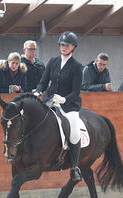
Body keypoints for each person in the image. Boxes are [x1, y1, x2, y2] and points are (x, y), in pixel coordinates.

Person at [34, 31, 83, 182]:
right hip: (49, 100)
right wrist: (38, 91)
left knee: (74, 132)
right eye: (62, 45)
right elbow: (44, 81)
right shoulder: (53, 61)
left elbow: (76, 91)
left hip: (69, 105)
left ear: (73, 47)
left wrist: (64, 99)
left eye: (66, 45)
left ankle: (74, 167)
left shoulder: (77, 66)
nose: (63, 47)